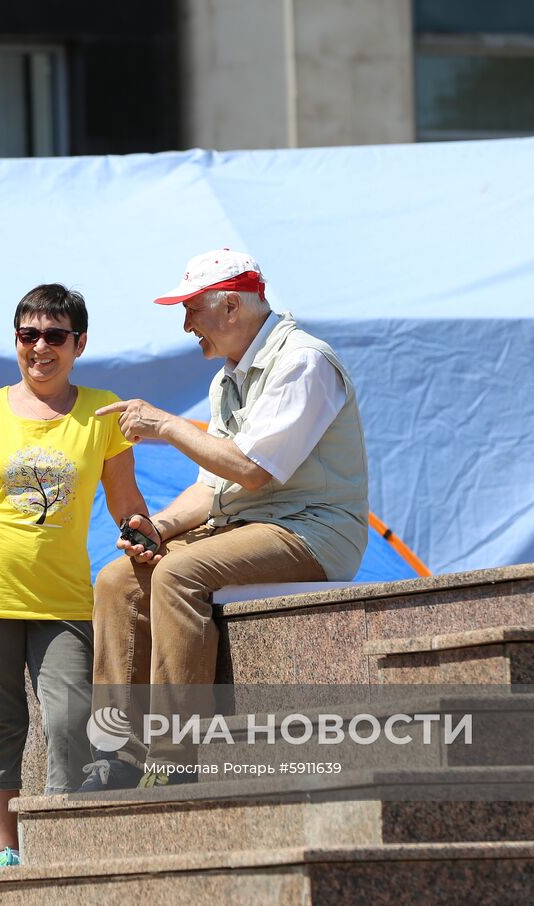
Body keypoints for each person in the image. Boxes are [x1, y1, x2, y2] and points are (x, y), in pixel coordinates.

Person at [81, 248, 369, 790]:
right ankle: (116, 754)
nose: (186, 324)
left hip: (313, 531)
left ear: (231, 306)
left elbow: (252, 470)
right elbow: (212, 488)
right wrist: (159, 529)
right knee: (118, 578)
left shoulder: (304, 361)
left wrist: (167, 424)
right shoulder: (227, 380)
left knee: (177, 574)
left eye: (191, 308)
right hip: (248, 528)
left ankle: (174, 756)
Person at [0, 283, 162, 866]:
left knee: (71, 717)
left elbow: (125, 499)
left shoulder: (100, 411)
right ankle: (5, 855)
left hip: (62, 602)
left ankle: (57, 838)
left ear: (79, 343)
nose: (40, 348)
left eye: (55, 336)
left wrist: (142, 532)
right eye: (28, 335)